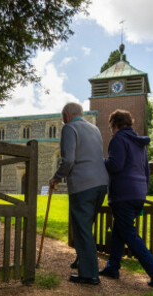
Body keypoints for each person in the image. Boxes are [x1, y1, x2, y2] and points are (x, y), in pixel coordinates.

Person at [101, 109, 153, 287]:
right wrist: (142, 192)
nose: (111, 130)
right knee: (119, 230)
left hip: (123, 193)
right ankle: (112, 267)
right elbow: (146, 170)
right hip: (138, 192)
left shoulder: (118, 139)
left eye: (111, 127)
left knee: (128, 233)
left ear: (115, 125)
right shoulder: (139, 143)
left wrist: (101, 161)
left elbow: (115, 165)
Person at [49, 103, 108, 285]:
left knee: (82, 231)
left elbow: (68, 160)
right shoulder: (95, 129)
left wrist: (56, 178)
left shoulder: (69, 128)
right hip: (101, 184)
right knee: (86, 228)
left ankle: (89, 275)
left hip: (83, 185)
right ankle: (82, 262)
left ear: (67, 114)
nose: (62, 120)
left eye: (62, 117)